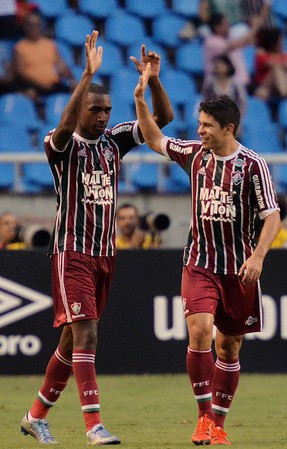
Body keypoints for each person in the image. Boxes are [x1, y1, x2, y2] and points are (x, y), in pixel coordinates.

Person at [20, 31, 173, 445]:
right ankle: (93, 426)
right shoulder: (62, 146)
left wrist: (153, 81)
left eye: (106, 110)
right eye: (96, 110)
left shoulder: (115, 143)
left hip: (105, 254)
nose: (103, 116)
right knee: (87, 334)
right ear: (81, 108)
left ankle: (35, 417)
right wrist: (86, 76)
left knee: (72, 341)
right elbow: (66, 126)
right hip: (71, 251)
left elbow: (163, 121)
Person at [134, 66, 281, 445]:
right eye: (199, 124)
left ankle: (218, 423)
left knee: (228, 346)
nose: (199, 131)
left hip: (240, 270)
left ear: (228, 128)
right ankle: (202, 419)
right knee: (199, 332)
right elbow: (154, 138)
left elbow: (272, 216)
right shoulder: (195, 155)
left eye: (206, 125)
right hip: (199, 263)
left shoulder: (252, 166)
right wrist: (142, 94)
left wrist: (259, 256)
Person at [12, 12, 76, 103]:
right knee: (30, 94)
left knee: (76, 91)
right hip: (33, 86)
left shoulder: (50, 44)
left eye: (36, 25)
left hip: (53, 84)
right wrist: (39, 83)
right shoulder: (20, 47)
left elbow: (61, 66)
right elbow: (21, 72)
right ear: (25, 27)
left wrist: (72, 80)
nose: (33, 28)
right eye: (30, 25)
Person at [203, 12, 260, 89]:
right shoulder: (211, 42)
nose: (228, 26)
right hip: (220, 86)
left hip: (242, 83)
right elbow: (234, 45)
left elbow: (250, 41)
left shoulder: (229, 37)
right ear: (217, 27)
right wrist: (255, 26)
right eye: (225, 24)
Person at [253, 27, 287, 101]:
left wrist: (284, 64)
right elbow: (269, 63)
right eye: (279, 41)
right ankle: (284, 93)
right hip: (266, 86)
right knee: (276, 68)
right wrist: (282, 63)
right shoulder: (261, 54)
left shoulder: (285, 55)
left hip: (281, 87)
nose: (281, 43)